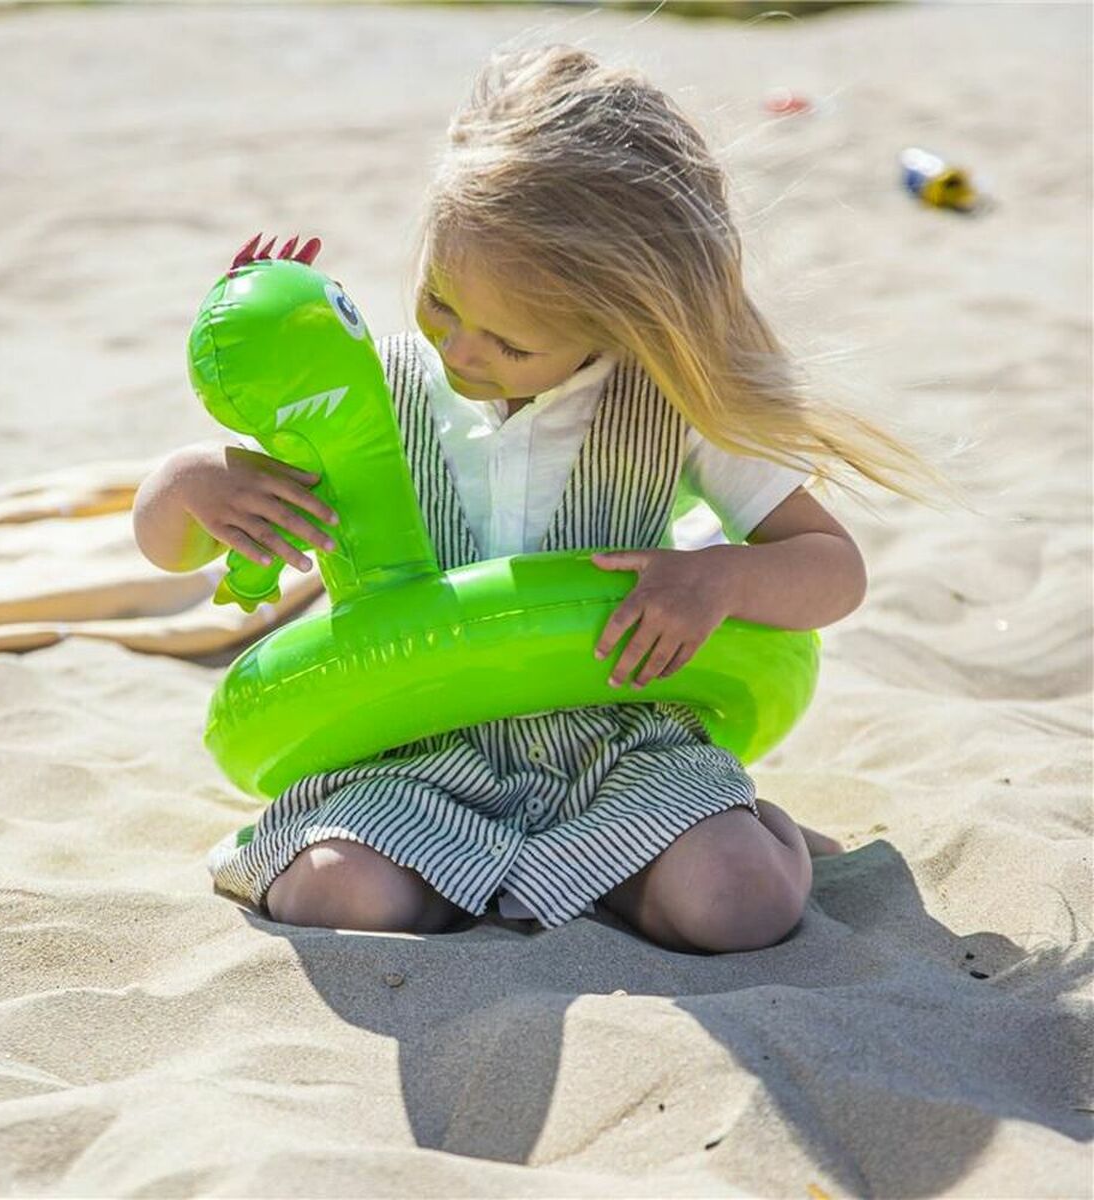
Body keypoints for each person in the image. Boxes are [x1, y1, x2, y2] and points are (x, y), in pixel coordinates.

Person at [133, 44, 959, 954]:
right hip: (411, 749)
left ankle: (750, 836)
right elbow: (166, 546)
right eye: (440, 301)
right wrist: (194, 483)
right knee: (340, 896)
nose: (462, 350)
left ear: (622, 324)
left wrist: (720, 579)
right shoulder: (361, 399)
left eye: (511, 345)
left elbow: (833, 571)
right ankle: (479, 871)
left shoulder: (665, 404)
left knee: (742, 903)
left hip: (616, 746)